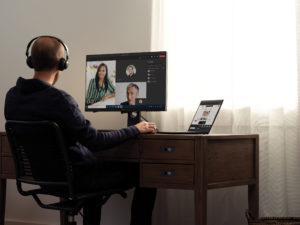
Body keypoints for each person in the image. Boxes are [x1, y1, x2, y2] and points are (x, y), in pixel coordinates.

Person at [4, 36, 157, 225]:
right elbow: (96, 142)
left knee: (93, 167)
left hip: (45, 179)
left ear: (31, 61)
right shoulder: (60, 100)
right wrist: (135, 129)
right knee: (147, 173)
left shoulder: (12, 96)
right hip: (77, 178)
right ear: (62, 63)